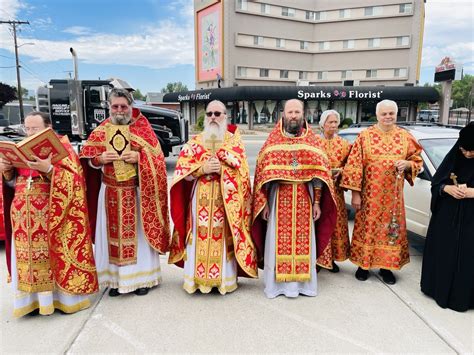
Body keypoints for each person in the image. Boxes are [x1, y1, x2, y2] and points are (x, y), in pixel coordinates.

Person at [0, 111, 98, 317]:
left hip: (51, 215)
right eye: (27, 128)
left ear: (48, 128)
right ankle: (32, 302)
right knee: (27, 259)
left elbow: (75, 183)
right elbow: (11, 184)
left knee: (48, 257)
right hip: (21, 216)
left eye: (35, 128)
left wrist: (50, 169)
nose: (30, 132)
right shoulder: (21, 148)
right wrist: (7, 170)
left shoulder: (62, 147)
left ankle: (58, 300)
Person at [79, 88, 170, 297]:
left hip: (136, 192)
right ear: (109, 107)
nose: (119, 111)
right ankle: (115, 281)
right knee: (110, 238)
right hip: (109, 191)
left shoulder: (143, 128)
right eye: (115, 106)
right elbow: (86, 160)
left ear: (131, 107)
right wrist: (100, 159)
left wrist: (140, 159)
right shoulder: (101, 131)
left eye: (123, 106)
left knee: (138, 237)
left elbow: (158, 160)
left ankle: (142, 280)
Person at [169, 100, 257, 294]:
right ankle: (197, 281)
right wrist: (202, 169)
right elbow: (182, 172)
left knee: (222, 237)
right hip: (199, 199)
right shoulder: (195, 142)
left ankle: (223, 281)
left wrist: (224, 168)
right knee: (199, 236)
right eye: (209, 114)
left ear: (225, 116)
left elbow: (242, 173)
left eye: (218, 113)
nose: (213, 118)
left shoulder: (234, 142)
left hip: (225, 202)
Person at [252, 99, 337, 299]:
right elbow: (262, 175)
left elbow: (319, 175)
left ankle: (302, 286)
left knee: (304, 243)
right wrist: (263, 201)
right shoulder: (273, 141)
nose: (293, 116)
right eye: (290, 112)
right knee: (276, 242)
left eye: (297, 112)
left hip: (304, 199)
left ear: (303, 114)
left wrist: (317, 202)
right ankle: (276, 286)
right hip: (278, 199)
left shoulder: (312, 141)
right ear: (283, 114)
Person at [340, 99, 423, 285]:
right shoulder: (365, 136)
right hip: (369, 197)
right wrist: (355, 193)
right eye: (384, 114)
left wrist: (408, 164)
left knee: (390, 231)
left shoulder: (405, 137)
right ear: (377, 115)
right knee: (368, 230)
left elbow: (417, 160)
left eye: (391, 113)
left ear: (396, 114)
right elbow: (354, 166)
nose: (388, 117)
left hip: (393, 199)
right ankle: (364, 265)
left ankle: (387, 268)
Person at [421, 122, 474, 312]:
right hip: (448, 220)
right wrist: (447, 188)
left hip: (471, 223)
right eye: (464, 150)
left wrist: (471, 193)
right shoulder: (454, 158)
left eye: (472, 151)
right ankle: (439, 290)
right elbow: (436, 183)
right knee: (445, 253)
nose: (467, 154)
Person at [319, 110, 352, 273]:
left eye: (335, 122)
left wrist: (342, 171)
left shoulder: (344, 144)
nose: (333, 125)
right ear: (322, 124)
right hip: (318, 192)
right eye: (329, 122)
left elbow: (351, 164)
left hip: (336, 192)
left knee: (334, 224)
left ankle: (331, 259)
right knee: (319, 224)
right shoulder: (315, 142)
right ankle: (317, 258)